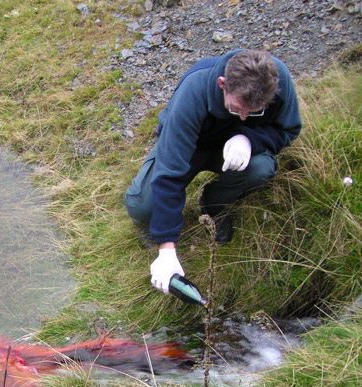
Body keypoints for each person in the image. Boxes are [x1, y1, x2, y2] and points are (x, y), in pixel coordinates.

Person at [124, 49, 302, 295]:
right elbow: (170, 173)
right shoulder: (194, 91)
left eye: (254, 112)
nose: (243, 116)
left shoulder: (279, 81)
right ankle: (154, 224)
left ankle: (214, 204)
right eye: (239, 107)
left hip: (235, 152)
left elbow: (289, 129)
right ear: (222, 84)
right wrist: (167, 250)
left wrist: (249, 138)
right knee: (143, 207)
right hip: (191, 146)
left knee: (261, 168)